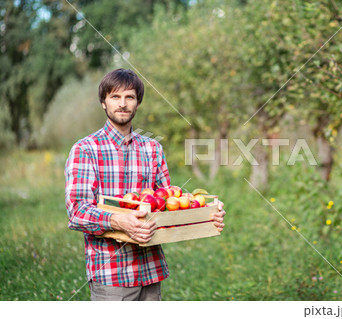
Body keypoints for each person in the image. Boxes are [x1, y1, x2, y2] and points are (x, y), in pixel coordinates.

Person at [64, 68, 226, 301]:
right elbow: (77, 211)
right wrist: (119, 221)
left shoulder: (152, 149)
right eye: (115, 97)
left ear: (138, 102)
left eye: (129, 97)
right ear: (103, 102)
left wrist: (207, 214)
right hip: (112, 274)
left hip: (150, 270)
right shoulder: (86, 149)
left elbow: (168, 204)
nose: (122, 104)